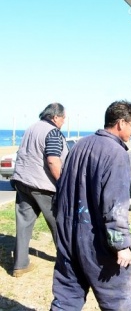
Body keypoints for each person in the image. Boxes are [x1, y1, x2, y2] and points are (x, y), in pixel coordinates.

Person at [51, 100, 131, 310]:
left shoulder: (80, 145)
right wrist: (121, 246)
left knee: (65, 300)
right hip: (97, 243)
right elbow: (115, 206)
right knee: (118, 302)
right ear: (120, 123)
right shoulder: (117, 153)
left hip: (68, 237)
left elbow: (61, 190)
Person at [11, 102, 68, 278]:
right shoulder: (52, 131)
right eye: (64, 118)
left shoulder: (32, 127)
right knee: (59, 224)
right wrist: (62, 184)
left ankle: (20, 265)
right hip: (43, 186)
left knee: (23, 224)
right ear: (56, 117)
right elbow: (53, 160)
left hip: (22, 181)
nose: (63, 122)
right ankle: (67, 263)